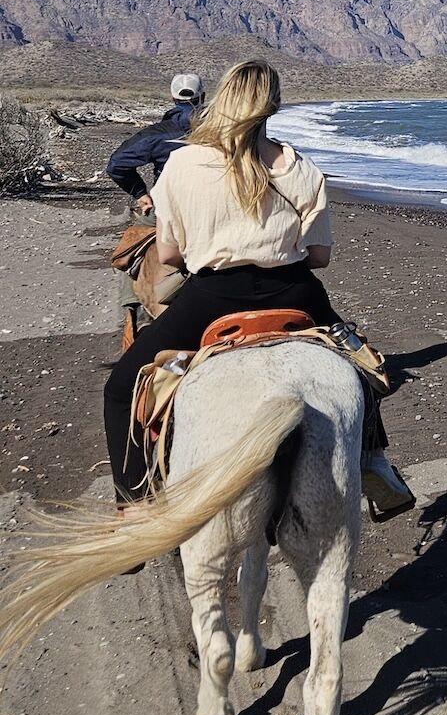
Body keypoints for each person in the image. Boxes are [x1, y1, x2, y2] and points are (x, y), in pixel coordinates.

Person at [101, 58, 414, 518]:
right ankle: (374, 466)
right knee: (363, 370)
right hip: (295, 292)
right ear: (275, 107)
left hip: (210, 298)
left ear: (221, 99)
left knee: (120, 388)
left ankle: (134, 508)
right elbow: (320, 258)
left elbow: (167, 255)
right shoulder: (300, 167)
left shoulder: (184, 163)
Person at [107, 73, 207, 216]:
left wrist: (140, 193)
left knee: (142, 231)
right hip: (221, 203)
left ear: (173, 98)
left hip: (171, 206)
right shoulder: (227, 128)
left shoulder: (155, 134)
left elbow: (117, 164)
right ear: (203, 97)